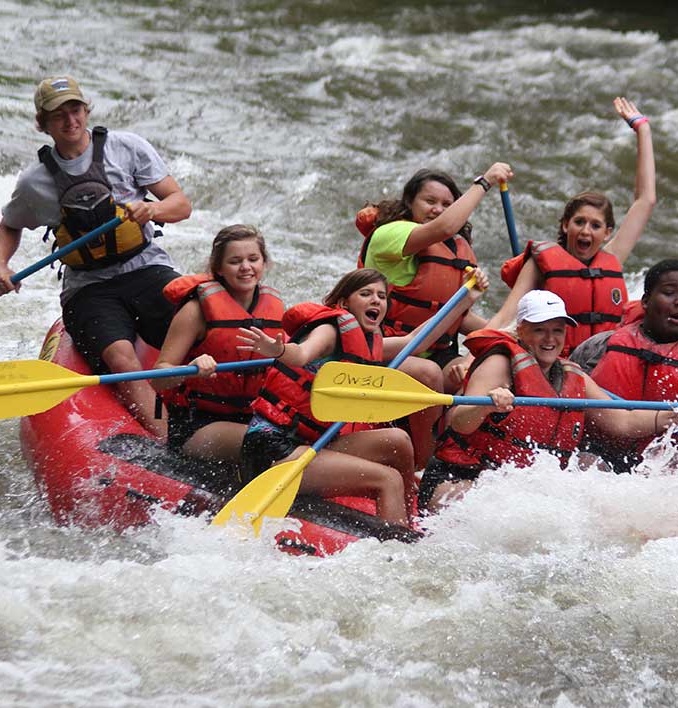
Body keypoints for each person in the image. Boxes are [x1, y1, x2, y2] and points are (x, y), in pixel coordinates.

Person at [0, 75, 192, 439]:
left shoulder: (127, 148)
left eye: (75, 110)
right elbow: (10, 225)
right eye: (58, 115)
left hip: (146, 266)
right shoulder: (34, 183)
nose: (70, 121)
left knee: (199, 323)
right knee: (120, 358)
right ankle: (169, 441)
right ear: (42, 124)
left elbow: (180, 205)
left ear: (86, 110)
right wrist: (1, 265)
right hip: (89, 287)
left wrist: (152, 211)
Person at [419, 290, 678, 512]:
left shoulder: (574, 376)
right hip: (459, 480)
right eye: (540, 329)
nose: (550, 339)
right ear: (521, 330)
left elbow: (623, 420)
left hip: (519, 491)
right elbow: (460, 421)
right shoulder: (499, 363)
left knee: (592, 470)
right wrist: (486, 404)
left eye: (557, 330)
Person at [237, 268, 488, 525]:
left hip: (313, 442)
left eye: (381, 296)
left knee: (399, 440)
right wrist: (277, 349)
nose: (376, 300)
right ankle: (397, 543)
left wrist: (467, 298)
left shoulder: (368, 341)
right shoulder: (330, 330)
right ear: (344, 303)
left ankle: (410, 519)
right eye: (366, 294)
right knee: (388, 479)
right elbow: (301, 354)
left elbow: (417, 341)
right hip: (274, 448)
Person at [355, 161, 512, 461]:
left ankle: (469, 453)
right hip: (384, 349)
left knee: (487, 367)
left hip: (432, 349)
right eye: (430, 201)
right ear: (409, 203)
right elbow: (445, 226)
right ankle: (425, 464)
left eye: (446, 204)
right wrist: (486, 181)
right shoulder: (391, 234)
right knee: (427, 374)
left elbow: (455, 318)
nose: (438, 209)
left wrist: (494, 340)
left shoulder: (456, 249)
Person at [486, 97, 655, 356]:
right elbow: (505, 317)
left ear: (607, 232)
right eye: (579, 222)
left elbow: (646, 200)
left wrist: (642, 129)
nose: (586, 231)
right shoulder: (541, 264)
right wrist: (471, 358)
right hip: (553, 362)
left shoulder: (612, 256)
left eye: (595, 225)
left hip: (599, 366)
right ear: (566, 225)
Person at [574, 259, 678, 471]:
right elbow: (566, 398)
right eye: (669, 293)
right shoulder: (600, 346)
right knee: (587, 462)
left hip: (662, 466)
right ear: (646, 301)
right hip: (597, 454)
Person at [149, 225, 284, 464]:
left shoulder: (274, 308)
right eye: (235, 261)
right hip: (198, 424)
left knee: (287, 436)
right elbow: (158, 378)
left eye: (253, 259)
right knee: (269, 443)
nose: (246, 267)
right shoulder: (196, 310)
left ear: (264, 263)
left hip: (252, 419)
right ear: (218, 268)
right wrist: (190, 367)